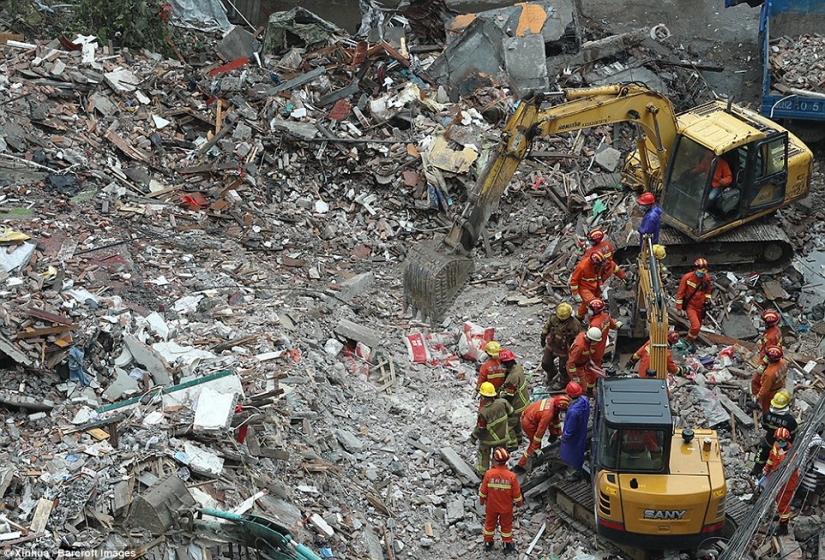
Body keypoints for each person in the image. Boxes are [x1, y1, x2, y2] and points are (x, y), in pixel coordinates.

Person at [514, 389, 577, 472]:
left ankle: (552, 435)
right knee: (533, 445)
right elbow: (540, 431)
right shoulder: (548, 414)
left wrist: (558, 434)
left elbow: (555, 419)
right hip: (529, 423)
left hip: (529, 414)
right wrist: (536, 447)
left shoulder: (553, 402)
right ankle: (520, 466)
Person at [479, 447, 524, 554]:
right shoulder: (511, 476)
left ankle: (488, 543)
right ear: (507, 460)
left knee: (489, 524)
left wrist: (481, 501)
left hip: (491, 506)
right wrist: (519, 503)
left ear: (495, 459)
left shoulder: (489, 474)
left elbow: (483, 491)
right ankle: (506, 544)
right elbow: (517, 494)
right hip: (506, 507)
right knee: (506, 525)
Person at [751, 389, 798, 476]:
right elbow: (794, 434)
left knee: (762, 455)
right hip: (783, 447)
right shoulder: (790, 420)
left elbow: (764, 426)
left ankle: (756, 471)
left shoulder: (767, 414)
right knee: (779, 460)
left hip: (769, 440)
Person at [570, 251, 628, 320]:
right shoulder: (582, 266)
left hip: (595, 286)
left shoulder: (598, 265)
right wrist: (575, 294)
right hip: (584, 287)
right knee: (593, 303)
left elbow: (598, 275)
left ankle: (579, 316)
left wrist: (601, 285)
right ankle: (593, 319)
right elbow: (574, 280)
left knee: (588, 303)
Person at [761, 427, 798, 536]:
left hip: (787, 483)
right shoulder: (776, 447)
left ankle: (783, 527)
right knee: (778, 499)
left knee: (783, 504)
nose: (780, 442)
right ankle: (781, 515)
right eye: (778, 440)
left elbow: (787, 469)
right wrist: (766, 469)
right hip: (777, 480)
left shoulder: (791, 454)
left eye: (782, 441)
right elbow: (771, 459)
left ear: (787, 440)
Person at [472, 382, 514, 476]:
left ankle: (483, 473)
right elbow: (511, 412)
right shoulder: (502, 402)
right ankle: (496, 473)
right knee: (498, 456)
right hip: (502, 437)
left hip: (488, 441)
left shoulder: (483, 412)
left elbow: (481, 429)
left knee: (484, 455)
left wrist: (473, 437)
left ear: (482, 396)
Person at [540, 302, 581, 387]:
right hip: (552, 344)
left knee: (564, 369)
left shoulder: (574, 324)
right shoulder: (553, 318)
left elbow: (577, 339)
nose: (561, 319)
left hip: (564, 348)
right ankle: (552, 374)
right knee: (545, 363)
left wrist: (574, 351)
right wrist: (543, 337)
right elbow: (546, 327)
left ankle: (563, 382)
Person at [675, 258, 712, 348]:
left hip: (701, 306)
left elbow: (708, 291)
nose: (701, 274)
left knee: (698, 327)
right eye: (700, 272)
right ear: (695, 269)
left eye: (703, 272)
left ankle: (691, 341)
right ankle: (688, 341)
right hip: (691, 306)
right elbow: (680, 293)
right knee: (696, 326)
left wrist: (707, 301)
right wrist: (679, 308)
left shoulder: (706, 278)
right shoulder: (687, 278)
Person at [498, 349, 530, 451]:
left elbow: (509, 396)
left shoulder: (512, 377)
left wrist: (499, 400)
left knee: (508, 424)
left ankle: (512, 445)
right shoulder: (518, 368)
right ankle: (519, 437)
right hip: (524, 401)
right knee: (516, 421)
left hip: (516, 404)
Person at [560, 385, 590, 481]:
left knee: (572, 453)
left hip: (574, 436)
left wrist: (564, 437)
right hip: (582, 429)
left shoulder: (573, 412)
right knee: (580, 448)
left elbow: (570, 428)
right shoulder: (584, 400)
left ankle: (577, 472)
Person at [751, 345, 789, 414]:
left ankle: (766, 419)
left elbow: (764, 391)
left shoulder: (770, 374)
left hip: (771, 393)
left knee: (767, 409)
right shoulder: (783, 362)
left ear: (770, 359)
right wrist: (763, 364)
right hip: (780, 387)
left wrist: (757, 398)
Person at [567, 327, 603, 396]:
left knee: (582, 383)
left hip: (582, 364)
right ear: (590, 339)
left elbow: (586, 351)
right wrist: (575, 376)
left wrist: (589, 360)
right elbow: (571, 362)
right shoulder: (580, 347)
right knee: (582, 389)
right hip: (577, 367)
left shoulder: (583, 336)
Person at [587, 298, 621, 369]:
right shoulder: (605, 316)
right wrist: (618, 325)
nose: (588, 310)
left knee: (593, 367)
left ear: (595, 311)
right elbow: (614, 326)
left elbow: (592, 341)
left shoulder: (595, 324)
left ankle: (597, 378)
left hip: (595, 350)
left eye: (590, 309)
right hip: (601, 347)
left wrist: (589, 352)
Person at [753, 310, 784, 386]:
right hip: (776, 351)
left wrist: (762, 365)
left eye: (764, 322)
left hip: (768, 359)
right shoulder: (777, 330)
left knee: (762, 378)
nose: (763, 323)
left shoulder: (770, 338)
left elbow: (769, 354)